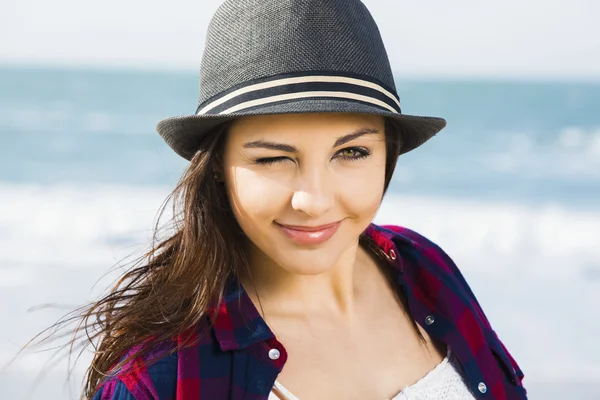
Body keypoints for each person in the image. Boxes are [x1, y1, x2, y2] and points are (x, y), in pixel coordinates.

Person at [86, 0, 527, 399]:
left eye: (351, 152)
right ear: (218, 163)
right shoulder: (160, 377)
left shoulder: (424, 266)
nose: (313, 201)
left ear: (388, 153)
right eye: (274, 159)